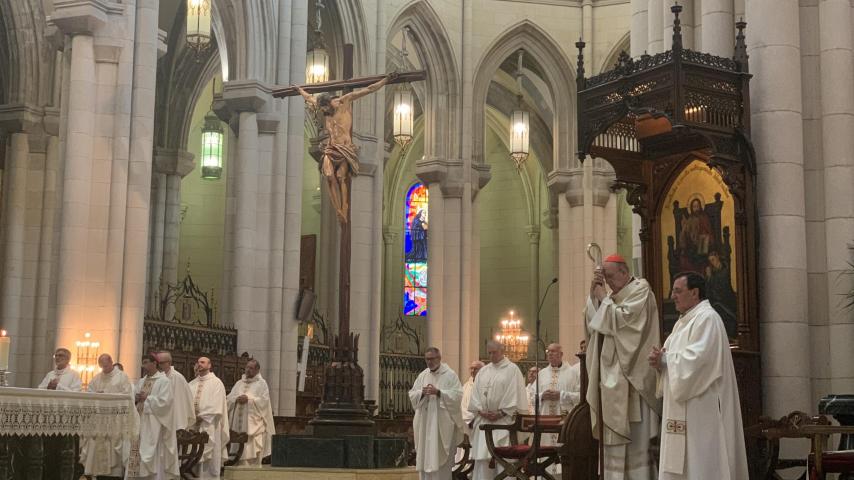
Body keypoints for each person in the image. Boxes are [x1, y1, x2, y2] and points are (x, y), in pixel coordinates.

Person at [648, 272, 748, 480]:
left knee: (700, 463)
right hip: (682, 407)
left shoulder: (708, 319)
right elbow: (673, 360)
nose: (672, 296)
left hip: (701, 409)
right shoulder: (681, 324)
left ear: (694, 293)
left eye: (677, 291)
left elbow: (698, 359)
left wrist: (666, 361)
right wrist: (660, 362)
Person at [586, 253, 661, 480]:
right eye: (604, 278)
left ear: (624, 272)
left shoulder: (641, 290)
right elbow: (594, 323)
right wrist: (594, 297)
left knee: (637, 448)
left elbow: (627, 325)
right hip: (610, 382)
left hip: (632, 381)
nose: (608, 282)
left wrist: (604, 299)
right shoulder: (613, 296)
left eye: (610, 277)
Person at [295, 72, 399, 223]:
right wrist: (298, 89)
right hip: (331, 148)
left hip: (345, 149)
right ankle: (338, 209)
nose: (323, 113)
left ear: (330, 103)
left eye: (324, 109)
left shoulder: (344, 102)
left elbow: (369, 89)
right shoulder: (323, 107)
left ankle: (345, 206)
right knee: (329, 176)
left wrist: (386, 80)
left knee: (339, 177)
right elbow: (308, 98)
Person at [467, 341, 528, 480]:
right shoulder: (483, 371)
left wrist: (501, 413)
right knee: (483, 461)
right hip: (484, 422)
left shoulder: (512, 370)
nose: (491, 355)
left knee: (504, 461)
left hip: (503, 423)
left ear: (502, 350)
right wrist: (481, 411)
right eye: (489, 352)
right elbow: (475, 395)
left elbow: (515, 394)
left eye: (494, 352)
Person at [408, 347, 465, 480]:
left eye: (432, 358)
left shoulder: (450, 375)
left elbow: (457, 395)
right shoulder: (423, 375)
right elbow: (412, 394)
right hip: (425, 423)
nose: (429, 362)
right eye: (427, 359)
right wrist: (422, 393)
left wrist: (439, 392)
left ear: (439, 358)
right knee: (424, 458)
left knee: (441, 463)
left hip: (441, 426)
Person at [125, 354, 179, 479]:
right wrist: (136, 398)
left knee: (152, 453)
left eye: (146, 362)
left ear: (155, 363)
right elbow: (135, 398)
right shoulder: (142, 381)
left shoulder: (164, 381)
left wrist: (147, 399)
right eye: (142, 363)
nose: (143, 366)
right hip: (139, 422)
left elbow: (166, 403)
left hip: (153, 424)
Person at [81, 353, 136, 478]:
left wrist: (107, 395)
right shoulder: (96, 378)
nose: (104, 369)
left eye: (105, 366)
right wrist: (96, 395)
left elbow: (128, 397)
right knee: (96, 445)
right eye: (102, 367)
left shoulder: (122, 377)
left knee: (113, 448)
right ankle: (96, 472)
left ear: (111, 362)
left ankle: (115, 474)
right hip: (99, 421)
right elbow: (89, 393)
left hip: (115, 420)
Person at [226, 359, 275, 466]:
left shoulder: (262, 384)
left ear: (257, 370)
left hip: (253, 425)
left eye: (251, 368)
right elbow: (229, 399)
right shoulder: (239, 383)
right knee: (236, 451)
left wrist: (248, 400)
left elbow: (264, 401)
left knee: (250, 448)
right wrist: (236, 399)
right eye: (247, 367)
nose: (248, 370)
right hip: (237, 426)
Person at [188, 357, 229, 479]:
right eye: (198, 362)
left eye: (203, 362)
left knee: (209, 454)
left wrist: (202, 416)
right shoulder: (191, 384)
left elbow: (217, 405)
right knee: (192, 454)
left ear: (210, 365)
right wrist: (191, 417)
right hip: (193, 426)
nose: (199, 364)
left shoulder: (216, 383)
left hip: (209, 425)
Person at [157, 351, 195, 430]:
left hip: (174, 420)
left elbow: (179, 404)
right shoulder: (160, 376)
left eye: (161, 363)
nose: (159, 366)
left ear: (169, 363)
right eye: (157, 363)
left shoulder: (176, 378)